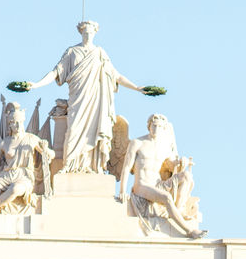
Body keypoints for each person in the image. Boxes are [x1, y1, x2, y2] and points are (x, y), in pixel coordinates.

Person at [24, 21, 155, 174]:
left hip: (95, 102)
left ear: (95, 33)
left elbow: (116, 76)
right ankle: (69, 165)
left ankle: (93, 167)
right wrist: (36, 84)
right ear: (80, 32)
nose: (88, 35)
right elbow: (55, 73)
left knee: (93, 133)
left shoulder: (100, 53)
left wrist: (137, 88)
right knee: (73, 131)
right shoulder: (72, 52)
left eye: (91, 32)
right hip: (78, 101)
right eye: (85, 32)